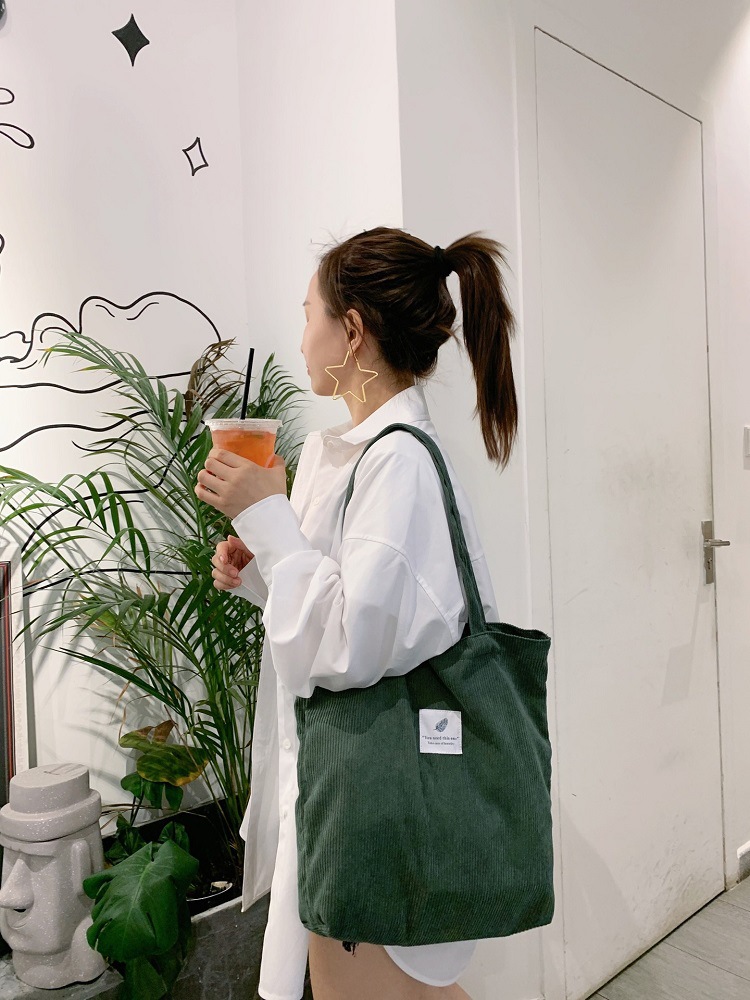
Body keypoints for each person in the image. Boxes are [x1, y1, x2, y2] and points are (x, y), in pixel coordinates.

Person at [195, 226, 518, 1000]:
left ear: (352, 330)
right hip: (351, 786)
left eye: (309, 313)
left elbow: (349, 646)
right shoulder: (342, 451)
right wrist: (261, 570)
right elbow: (343, 605)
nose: (302, 334)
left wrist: (270, 521)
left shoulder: (396, 460)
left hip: (373, 797)